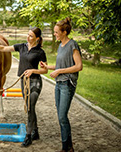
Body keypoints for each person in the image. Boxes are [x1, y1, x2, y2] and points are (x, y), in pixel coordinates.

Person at [0, 27, 48, 147]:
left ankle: (28, 136)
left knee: (29, 107)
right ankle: (36, 131)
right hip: (23, 82)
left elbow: (45, 70)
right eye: (28, 35)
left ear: (37, 39)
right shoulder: (22, 47)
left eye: (31, 36)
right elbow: (4, 48)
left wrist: (33, 71)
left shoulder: (40, 52)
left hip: (35, 82)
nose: (28, 37)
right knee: (31, 107)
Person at [40, 17, 83, 152]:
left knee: (62, 116)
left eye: (56, 32)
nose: (55, 34)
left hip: (67, 84)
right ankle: (69, 147)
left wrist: (59, 71)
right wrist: (48, 66)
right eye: (54, 32)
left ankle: (65, 148)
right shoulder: (60, 45)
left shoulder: (73, 45)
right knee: (60, 116)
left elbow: (79, 66)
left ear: (64, 32)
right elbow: (60, 65)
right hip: (58, 84)